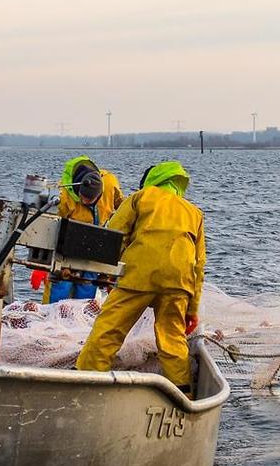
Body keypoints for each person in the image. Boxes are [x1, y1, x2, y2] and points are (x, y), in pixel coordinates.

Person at [76, 161, 205, 394]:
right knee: (172, 339)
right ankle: (183, 395)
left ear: (151, 180)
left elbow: (114, 234)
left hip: (139, 276)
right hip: (179, 282)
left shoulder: (140, 197)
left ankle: (86, 382)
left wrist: (105, 271)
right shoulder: (193, 212)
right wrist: (192, 309)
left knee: (108, 330)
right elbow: (199, 264)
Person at [36, 155, 124, 302]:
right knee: (59, 288)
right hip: (66, 247)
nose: (84, 202)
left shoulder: (110, 183)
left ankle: (80, 318)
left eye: (89, 200)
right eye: (82, 198)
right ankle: (51, 319)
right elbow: (47, 228)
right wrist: (41, 262)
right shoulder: (63, 195)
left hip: (95, 247)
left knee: (87, 290)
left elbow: (123, 207)